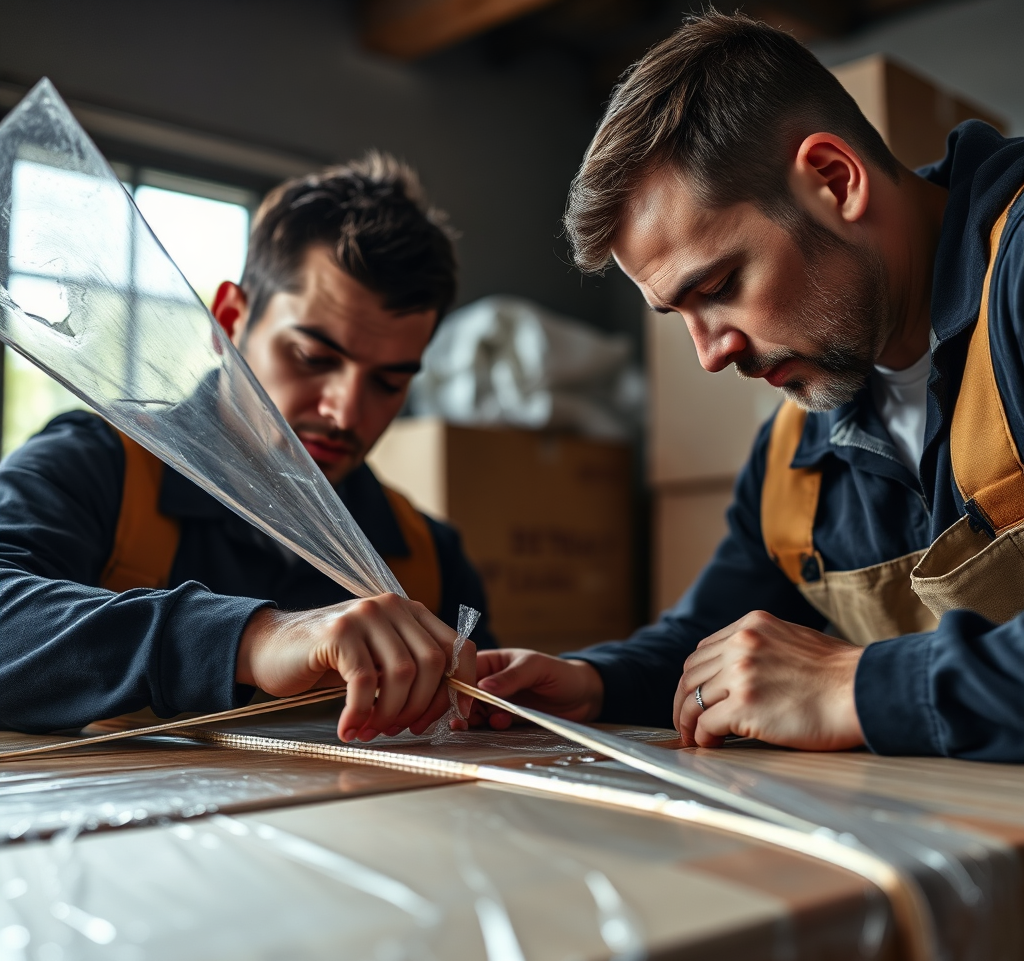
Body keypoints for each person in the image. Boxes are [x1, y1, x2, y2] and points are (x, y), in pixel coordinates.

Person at [470, 12, 1024, 762]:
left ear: (834, 180)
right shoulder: (798, 447)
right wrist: (595, 680)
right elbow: (713, 634)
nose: (709, 354)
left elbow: (833, 683)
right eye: (678, 315)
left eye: (721, 285)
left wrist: (855, 687)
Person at [0, 153, 494, 738]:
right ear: (230, 319)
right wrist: (255, 639)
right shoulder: (100, 467)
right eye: (313, 358)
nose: (345, 412)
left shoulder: (425, 559)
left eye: (389, 381)